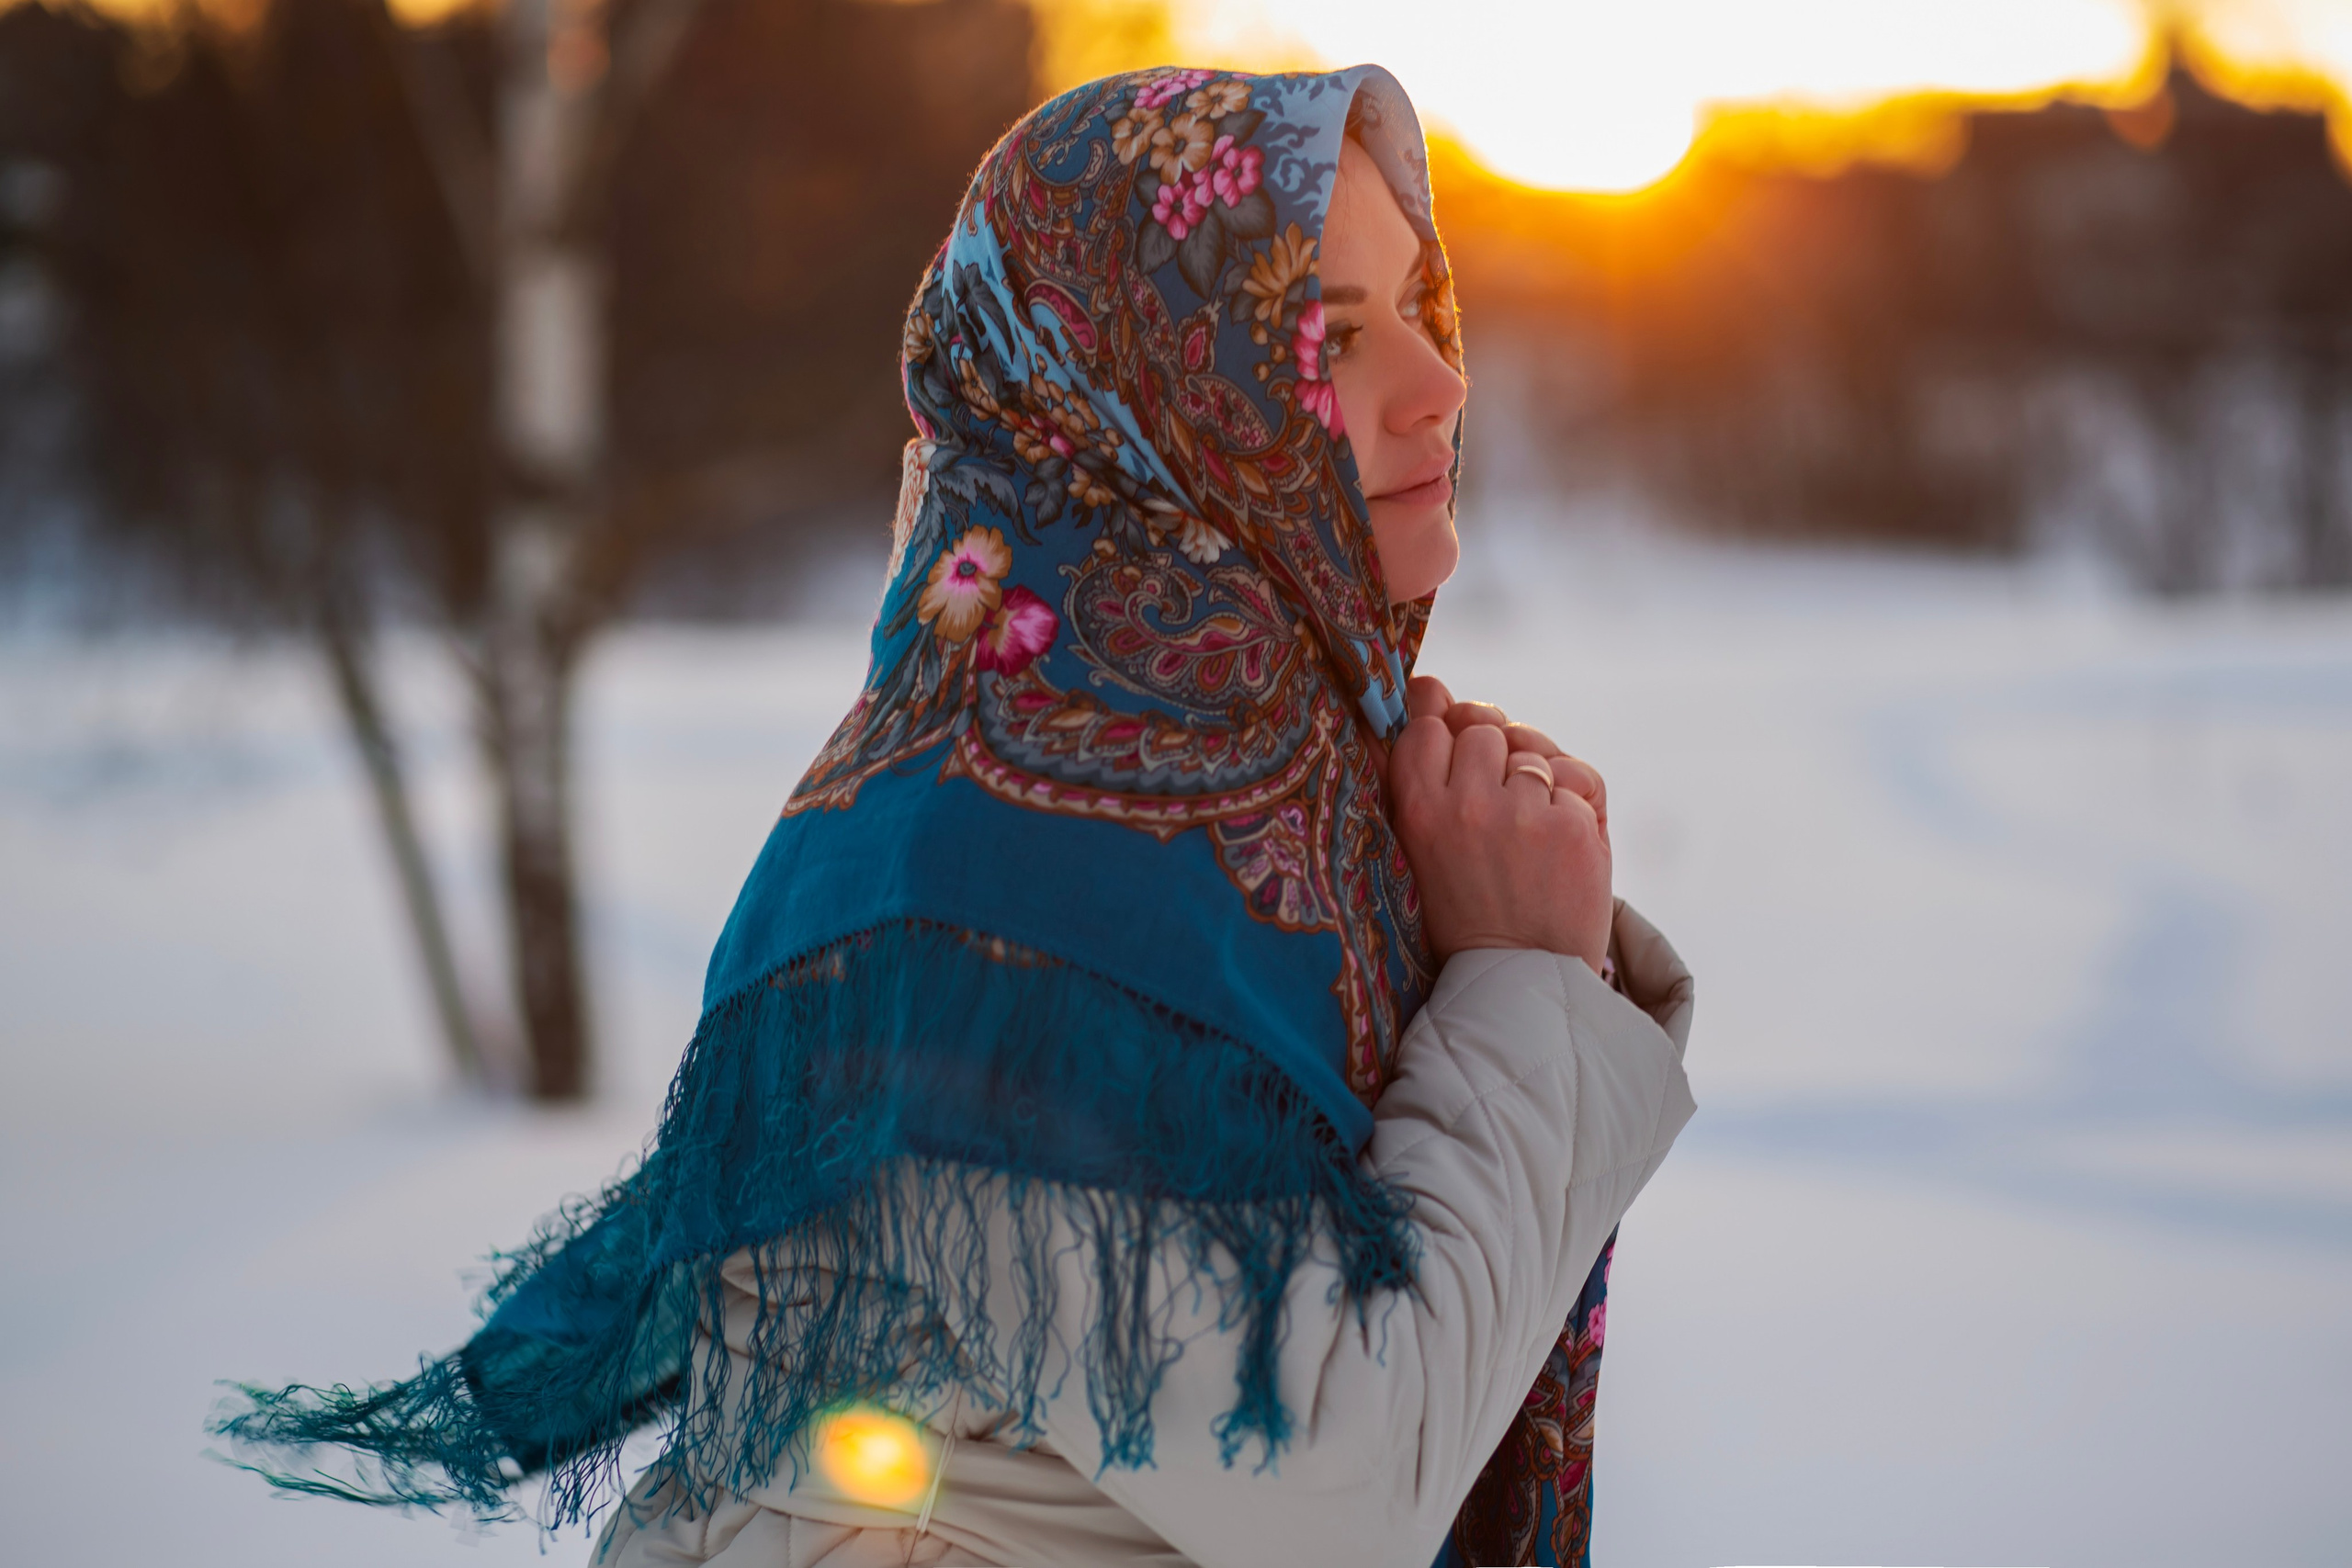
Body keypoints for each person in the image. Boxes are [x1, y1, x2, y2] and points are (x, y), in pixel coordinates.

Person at [213, 63, 1695, 1568]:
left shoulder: (1259, 803)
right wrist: (1518, 987)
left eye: (1423, 308)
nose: (1443, 385)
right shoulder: (992, 887)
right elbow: (1335, 1472)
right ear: (1143, 405)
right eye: (1330, 338)